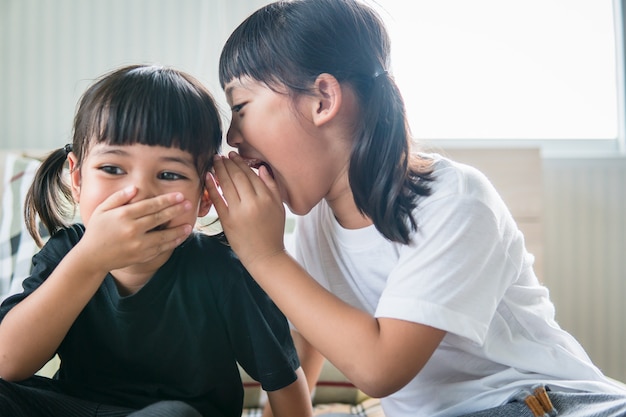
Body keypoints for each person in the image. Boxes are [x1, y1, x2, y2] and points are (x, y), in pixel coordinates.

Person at [206, 1, 626, 416]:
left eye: (241, 108)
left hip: (539, 400)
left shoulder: (455, 200)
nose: (233, 136)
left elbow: (379, 367)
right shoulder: (316, 220)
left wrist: (264, 255)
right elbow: (306, 337)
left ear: (322, 99)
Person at [0, 64, 312, 417]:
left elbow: (283, 380)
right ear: (77, 178)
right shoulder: (67, 252)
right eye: (112, 169)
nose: (139, 193)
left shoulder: (222, 271)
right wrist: (89, 260)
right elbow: (8, 363)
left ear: (205, 196)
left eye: (168, 174)